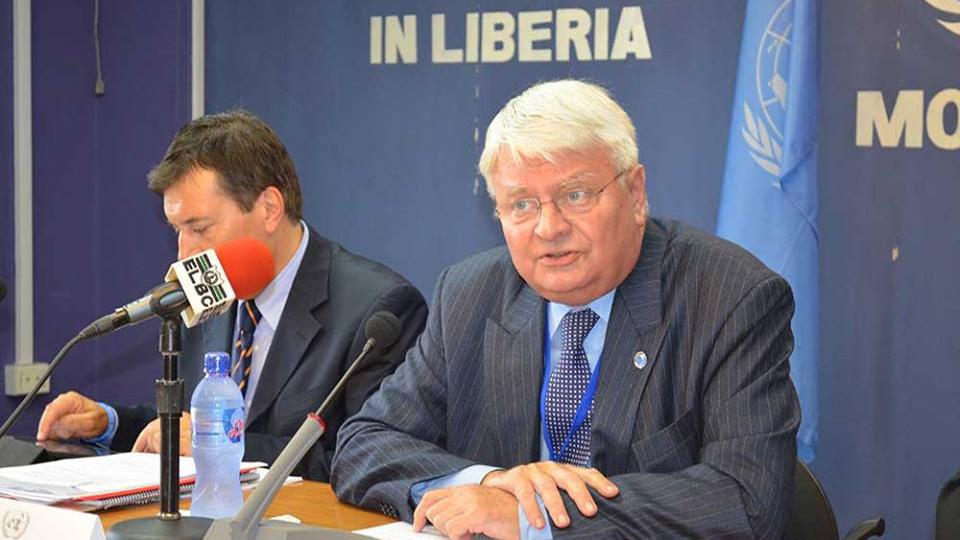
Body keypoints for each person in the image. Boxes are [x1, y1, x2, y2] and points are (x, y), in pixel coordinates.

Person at [330, 80, 800, 538]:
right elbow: (363, 444)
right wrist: (490, 484)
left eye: (576, 195)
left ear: (636, 194)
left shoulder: (730, 298)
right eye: (521, 204)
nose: (549, 227)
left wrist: (530, 518)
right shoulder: (471, 294)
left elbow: (747, 500)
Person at [36, 110, 428, 481]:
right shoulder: (205, 293)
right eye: (177, 230)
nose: (184, 253)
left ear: (269, 208)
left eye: (200, 228)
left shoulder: (378, 310)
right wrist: (109, 424)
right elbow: (186, 426)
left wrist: (221, 442)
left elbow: (367, 460)